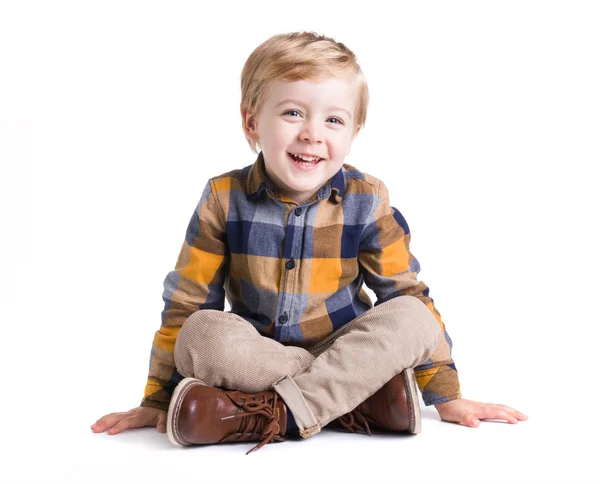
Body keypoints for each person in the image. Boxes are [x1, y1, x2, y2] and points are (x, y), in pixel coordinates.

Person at [91, 31, 527, 454]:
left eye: (333, 120)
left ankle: (270, 414)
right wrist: (156, 400)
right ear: (251, 121)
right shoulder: (224, 197)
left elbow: (405, 290)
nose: (312, 134)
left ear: (354, 131)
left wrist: (445, 395)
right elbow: (188, 299)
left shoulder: (366, 198)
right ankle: (359, 402)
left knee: (414, 317)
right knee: (200, 334)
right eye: (293, 113)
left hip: (344, 348)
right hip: (255, 356)